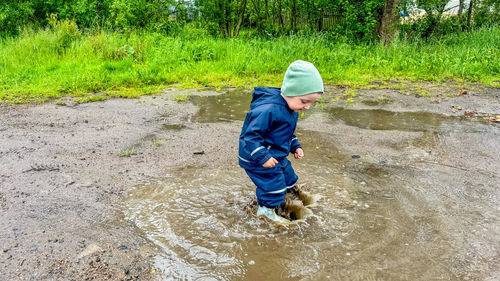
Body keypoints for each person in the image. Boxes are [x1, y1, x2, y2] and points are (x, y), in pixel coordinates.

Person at [238, 60, 323, 224]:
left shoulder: (291, 108)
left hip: (275, 153)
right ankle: (265, 211)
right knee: (273, 182)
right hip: (256, 156)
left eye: (311, 103)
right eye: (304, 101)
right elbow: (250, 136)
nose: (307, 107)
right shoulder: (268, 110)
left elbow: (285, 133)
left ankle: (291, 195)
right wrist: (262, 157)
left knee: (288, 174)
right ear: (291, 91)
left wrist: (295, 146)